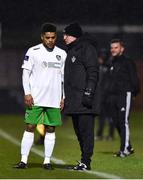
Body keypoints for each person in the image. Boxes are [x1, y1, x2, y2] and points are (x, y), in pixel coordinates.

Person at [14, 23, 67, 169]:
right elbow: (26, 73)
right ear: (42, 37)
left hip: (54, 98)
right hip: (36, 97)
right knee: (30, 126)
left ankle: (47, 161)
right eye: (47, 37)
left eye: (53, 37)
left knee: (50, 129)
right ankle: (23, 160)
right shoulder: (33, 51)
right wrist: (27, 93)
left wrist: (63, 97)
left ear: (56, 37)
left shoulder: (62, 54)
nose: (50, 40)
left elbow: (64, 78)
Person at [63, 23, 100, 170]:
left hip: (85, 101)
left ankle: (86, 161)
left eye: (66, 34)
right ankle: (84, 160)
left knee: (86, 133)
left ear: (74, 35)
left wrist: (88, 93)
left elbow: (93, 72)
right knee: (79, 134)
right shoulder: (71, 51)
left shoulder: (86, 49)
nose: (64, 37)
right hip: (74, 101)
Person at [105, 39, 140, 157]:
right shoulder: (112, 62)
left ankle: (124, 150)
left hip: (124, 95)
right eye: (112, 48)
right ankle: (128, 146)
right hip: (113, 97)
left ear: (122, 49)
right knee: (116, 122)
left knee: (123, 122)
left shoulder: (128, 62)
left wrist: (134, 93)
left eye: (116, 47)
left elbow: (134, 79)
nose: (113, 50)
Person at [95, 48, 115, 141]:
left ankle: (108, 134)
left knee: (108, 116)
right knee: (103, 116)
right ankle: (103, 134)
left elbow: (105, 83)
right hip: (104, 95)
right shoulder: (104, 66)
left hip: (108, 95)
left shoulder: (107, 67)